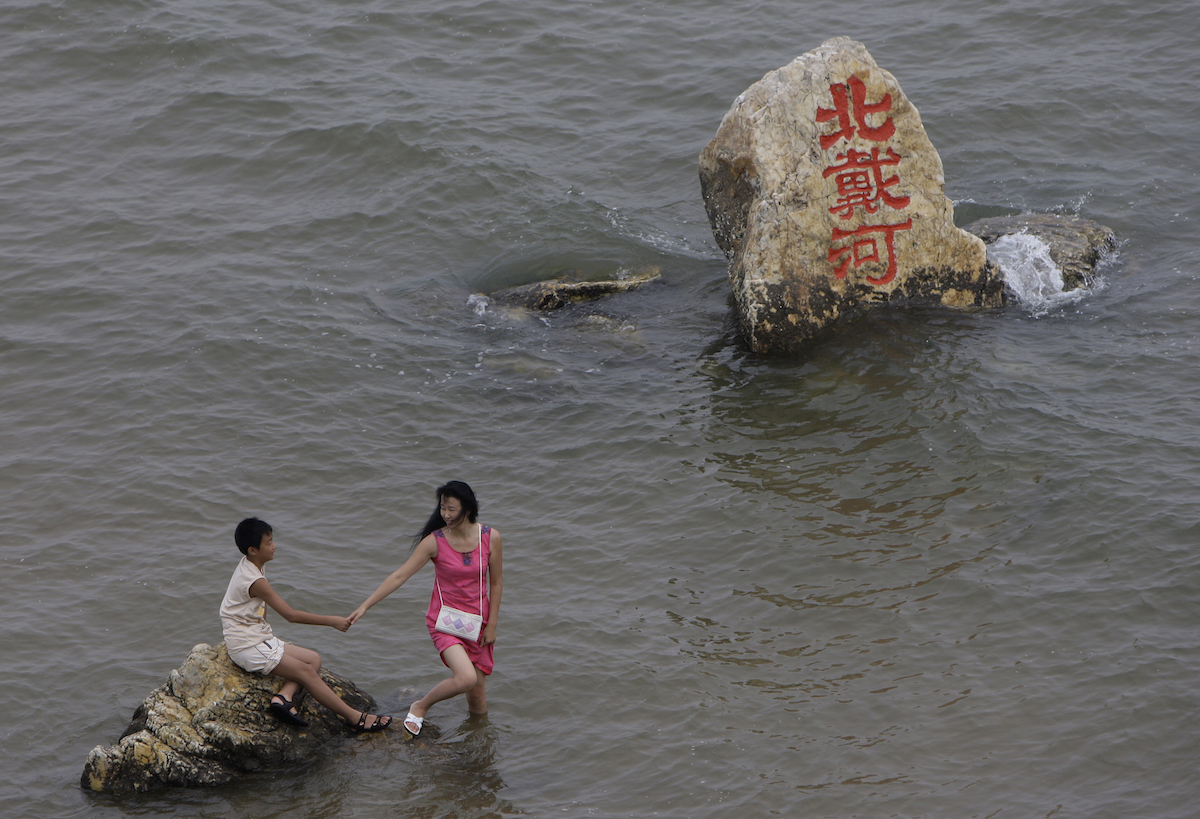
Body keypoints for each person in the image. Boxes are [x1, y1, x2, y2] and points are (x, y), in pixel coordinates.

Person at [349, 481, 504, 736]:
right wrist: (365, 606)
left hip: (479, 624)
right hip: (445, 623)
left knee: (477, 698)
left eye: (451, 509)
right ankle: (421, 706)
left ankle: (479, 745)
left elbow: (496, 583)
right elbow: (399, 576)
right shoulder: (435, 541)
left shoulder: (490, 537)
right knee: (466, 678)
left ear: (467, 508)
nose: (445, 514)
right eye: (442, 508)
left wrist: (493, 625)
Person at [221, 517, 392, 732]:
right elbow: (290, 615)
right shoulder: (256, 581)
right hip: (247, 645)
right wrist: (332, 622)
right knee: (306, 672)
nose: (274, 546)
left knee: (313, 659)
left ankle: (284, 697)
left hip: (256, 637)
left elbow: (253, 610)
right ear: (253, 549)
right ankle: (355, 717)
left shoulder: (252, 565)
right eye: (269, 542)